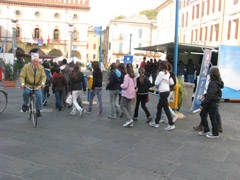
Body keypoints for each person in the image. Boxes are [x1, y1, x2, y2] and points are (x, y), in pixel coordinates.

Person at [149, 61, 175, 131]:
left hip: (162, 91)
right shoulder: (168, 73)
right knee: (159, 107)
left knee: (165, 108)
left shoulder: (161, 73)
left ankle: (171, 124)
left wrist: (159, 77)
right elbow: (172, 82)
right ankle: (156, 122)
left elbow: (156, 82)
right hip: (167, 91)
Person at [198, 67, 222, 138]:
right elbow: (212, 93)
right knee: (203, 114)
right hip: (212, 101)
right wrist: (205, 95)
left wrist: (203, 104)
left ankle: (215, 133)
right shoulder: (216, 82)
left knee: (212, 117)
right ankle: (206, 129)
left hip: (212, 102)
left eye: (210, 72)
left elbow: (210, 95)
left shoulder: (213, 83)